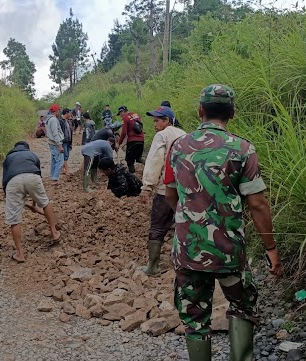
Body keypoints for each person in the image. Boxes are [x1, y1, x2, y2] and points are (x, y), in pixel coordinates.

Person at [163, 85, 283, 361]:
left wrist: (186, 217)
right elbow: (257, 203)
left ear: (200, 111)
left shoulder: (178, 146)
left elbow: (170, 193)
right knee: (242, 305)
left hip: (188, 250)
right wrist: (271, 248)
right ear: (232, 113)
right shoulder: (242, 148)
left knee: (194, 316)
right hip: (228, 251)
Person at [138, 106, 186, 276]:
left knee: (158, 226)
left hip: (166, 188)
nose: (154, 124)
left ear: (167, 120)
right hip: (186, 189)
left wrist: (147, 187)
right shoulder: (184, 134)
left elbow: (154, 161)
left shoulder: (162, 136)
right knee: (183, 223)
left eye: (157, 120)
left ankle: (153, 266)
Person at [2, 141, 61, 262]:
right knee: (45, 202)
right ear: (26, 148)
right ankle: (54, 233)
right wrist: (36, 203)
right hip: (32, 177)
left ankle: (20, 254)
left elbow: (5, 180)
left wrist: (12, 198)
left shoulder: (8, 158)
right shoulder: (32, 155)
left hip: (13, 182)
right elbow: (37, 174)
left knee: (14, 219)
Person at [117, 105, 145, 174]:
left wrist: (119, 143)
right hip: (141, 140)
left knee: (129, 160)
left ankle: (132, 176)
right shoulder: (137, 115)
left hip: (132, 141)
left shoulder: (125, 118)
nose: (120, 116)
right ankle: (150, 167)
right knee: (139, 158)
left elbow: (124, 132)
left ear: (122, 112)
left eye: (120, 114)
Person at [44, 103, 64, 182]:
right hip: (55, 143)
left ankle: (53, 176)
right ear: (56, 111)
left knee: (54, 160)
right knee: (59, 161)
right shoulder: (53, 120)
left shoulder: (49, 119)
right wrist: (59, 145)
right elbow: (55, 133)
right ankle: (55, 177)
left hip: (52, 143)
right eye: (59, 110)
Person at [60, 108, 74, 176]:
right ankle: (66, 169)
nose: (70, 114)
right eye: (69, 113)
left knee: (67, 155)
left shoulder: (68, 121)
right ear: (66, 113)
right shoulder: (61, 121)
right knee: (65, 155)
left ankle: (62, 168)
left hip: (68, 141)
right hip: (63, 141)